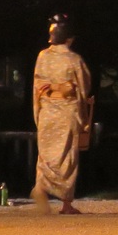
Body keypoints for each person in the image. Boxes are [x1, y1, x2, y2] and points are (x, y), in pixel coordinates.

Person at [31, 13, 92, 215]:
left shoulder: (42, 57)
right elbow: (84, 85)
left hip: (47, 111)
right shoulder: (74, 60)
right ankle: (66, 203)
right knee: (67, 157)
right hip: (66, 111)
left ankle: (41, 190)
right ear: (69, 37)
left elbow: (37, 86)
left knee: (46, 155)